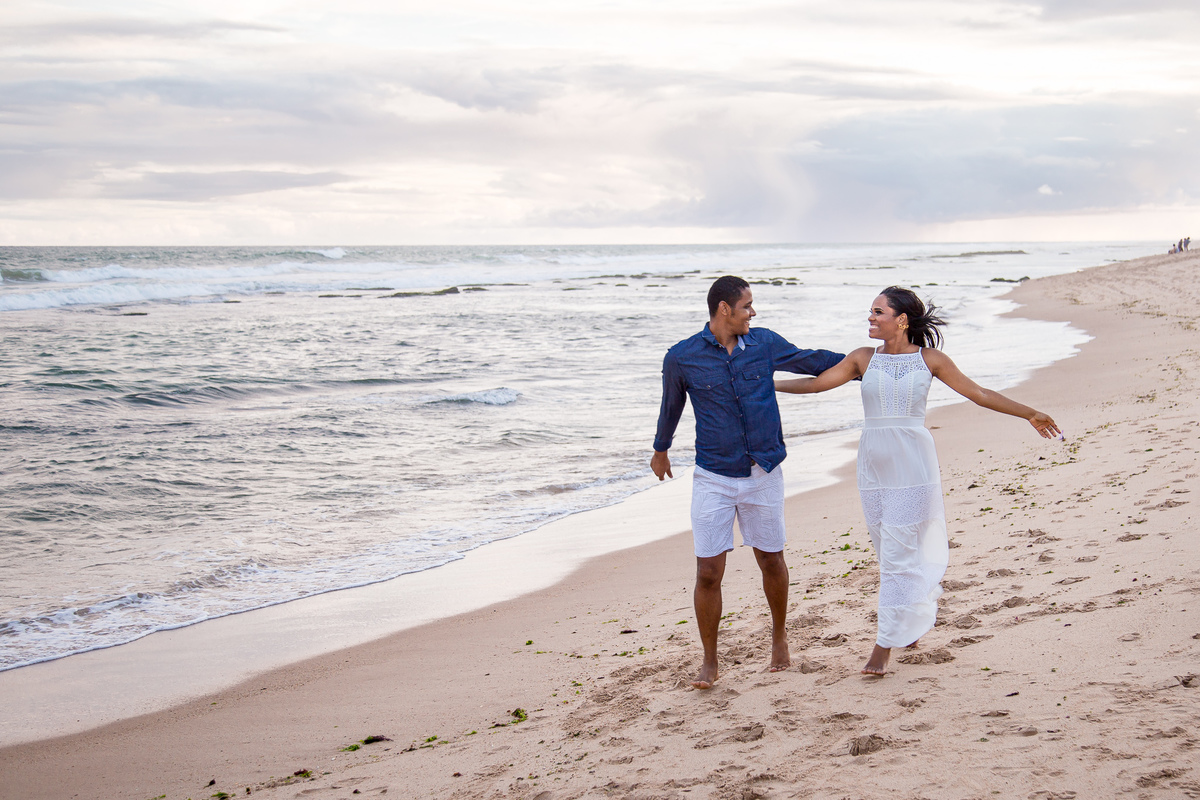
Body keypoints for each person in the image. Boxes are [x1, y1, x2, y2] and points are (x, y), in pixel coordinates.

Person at [775, 286, 1060, 676]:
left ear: (902, 319)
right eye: (870, 312)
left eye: (878, 311)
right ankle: (908, 620)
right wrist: (765, 384)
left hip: (913, 464)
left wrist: (1030, 413)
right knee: (886, 546)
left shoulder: (931, 359)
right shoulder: (862, 358)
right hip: (873, 466)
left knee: (897, 553)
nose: (871, 318)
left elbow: (977, 393)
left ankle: (884, 645)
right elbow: (817, 384)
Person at [651, 275, 845, 689]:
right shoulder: (682, 357)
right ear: (725, 309)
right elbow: (672, 405)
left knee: (771, 559)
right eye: (747, 306)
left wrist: (870, 364)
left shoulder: (764, 344)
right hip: (713, 476)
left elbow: (812, 360)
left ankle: (779, 639)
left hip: (764, 471)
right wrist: (660, 448)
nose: (752, 313)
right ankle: (710, 660)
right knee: (707, 571)